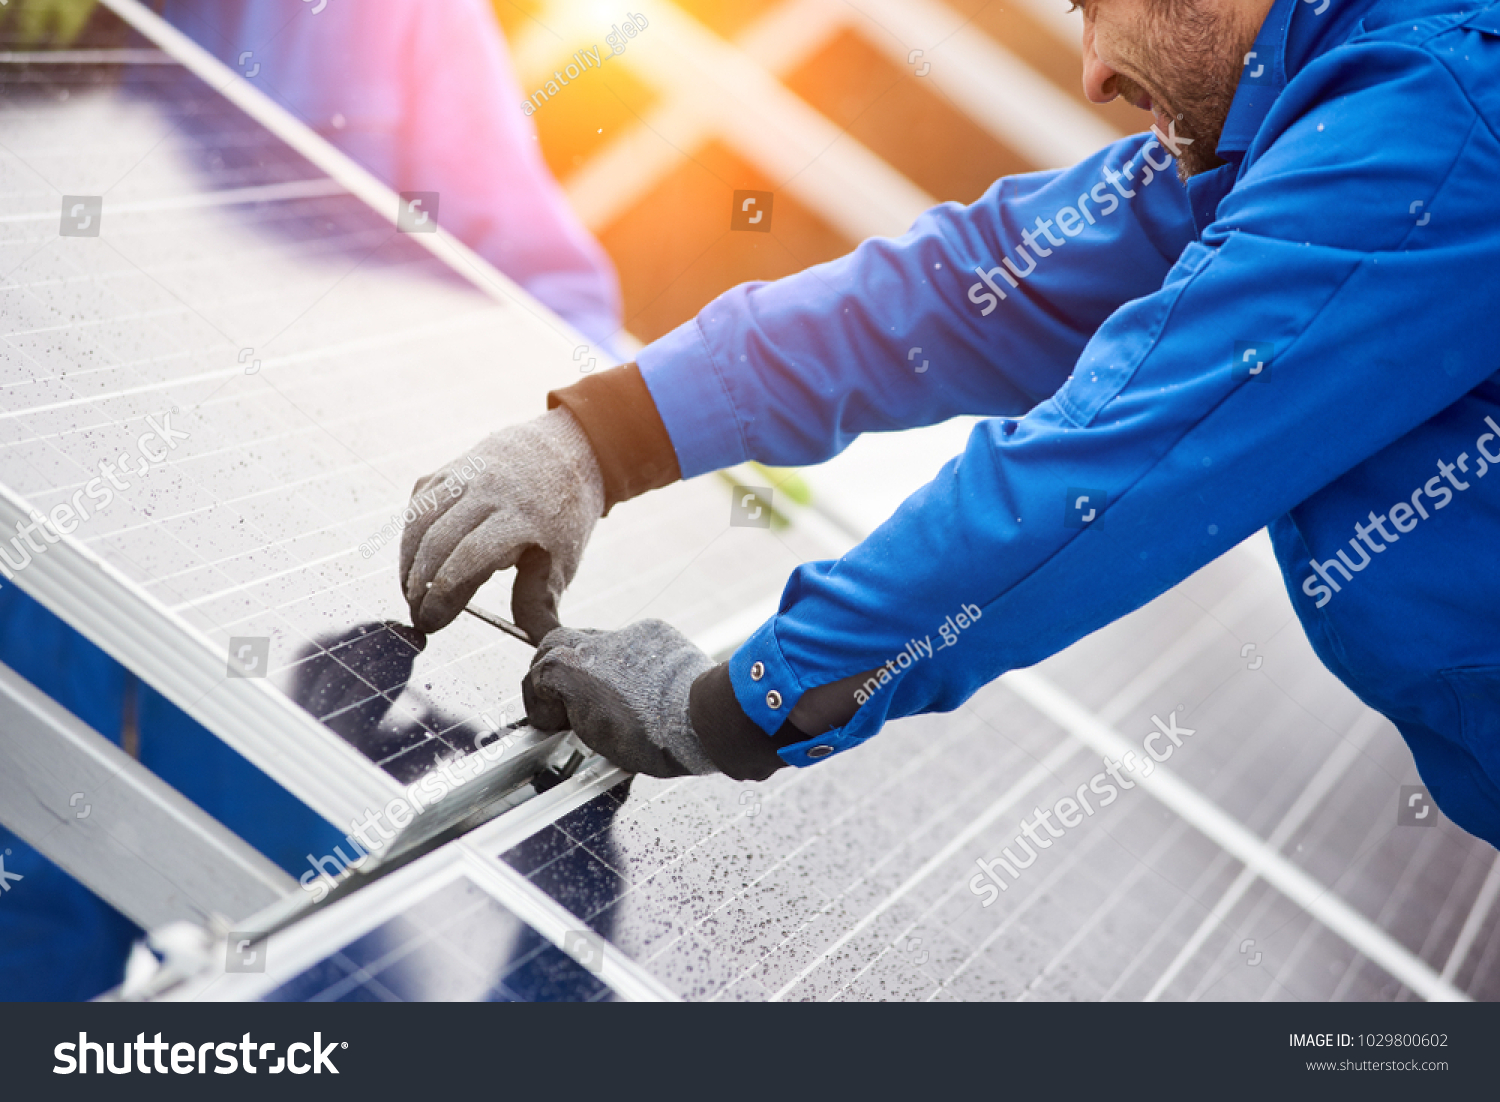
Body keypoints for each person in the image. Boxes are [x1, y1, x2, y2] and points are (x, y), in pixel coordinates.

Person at [399, 0, 1500, 849]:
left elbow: (1101, 478)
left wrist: (729, 704)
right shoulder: (1338, 109)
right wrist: (601, 436)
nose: (1095, 71)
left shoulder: (1434, 125)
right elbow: (973, 286)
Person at [0, 0, 626, 1000]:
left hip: (307, 684)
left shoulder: (393, 22)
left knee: (317, 982)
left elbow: (549, 318)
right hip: (39, 632)